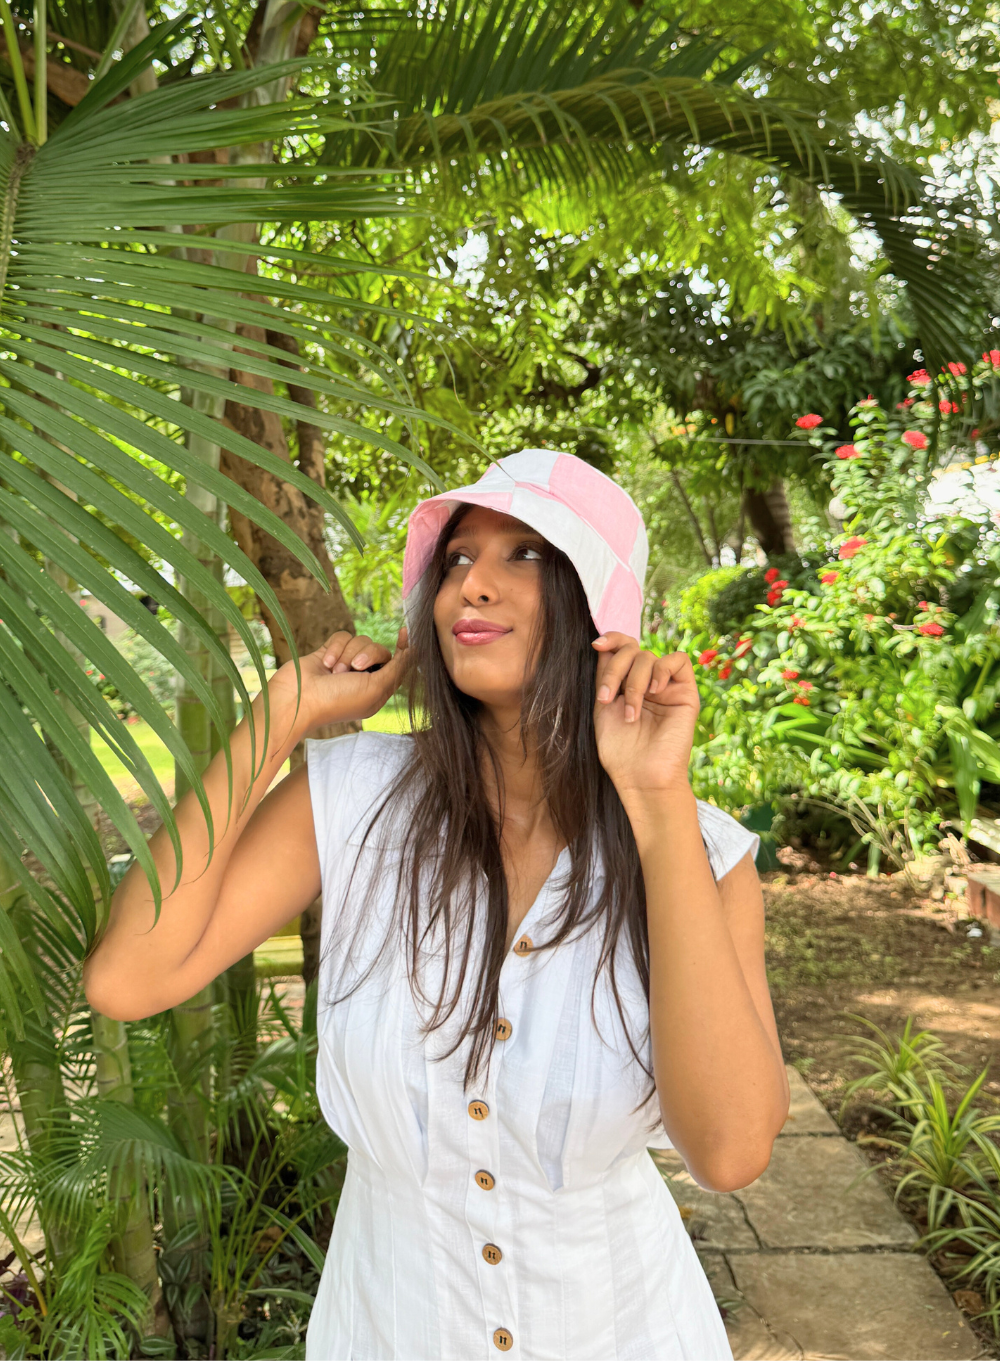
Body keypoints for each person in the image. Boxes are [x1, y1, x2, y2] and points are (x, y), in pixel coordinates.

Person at [85, 449, 789, 1361]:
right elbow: (128, 978)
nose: (474, 586)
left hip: (627, 1331)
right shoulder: (353, 800)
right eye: (456, 559)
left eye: (526, 555)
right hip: (386, 1331)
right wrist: (282, 712)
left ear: (601, 611)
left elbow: (731, 1152)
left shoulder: (697, 852)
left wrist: (656, 802)